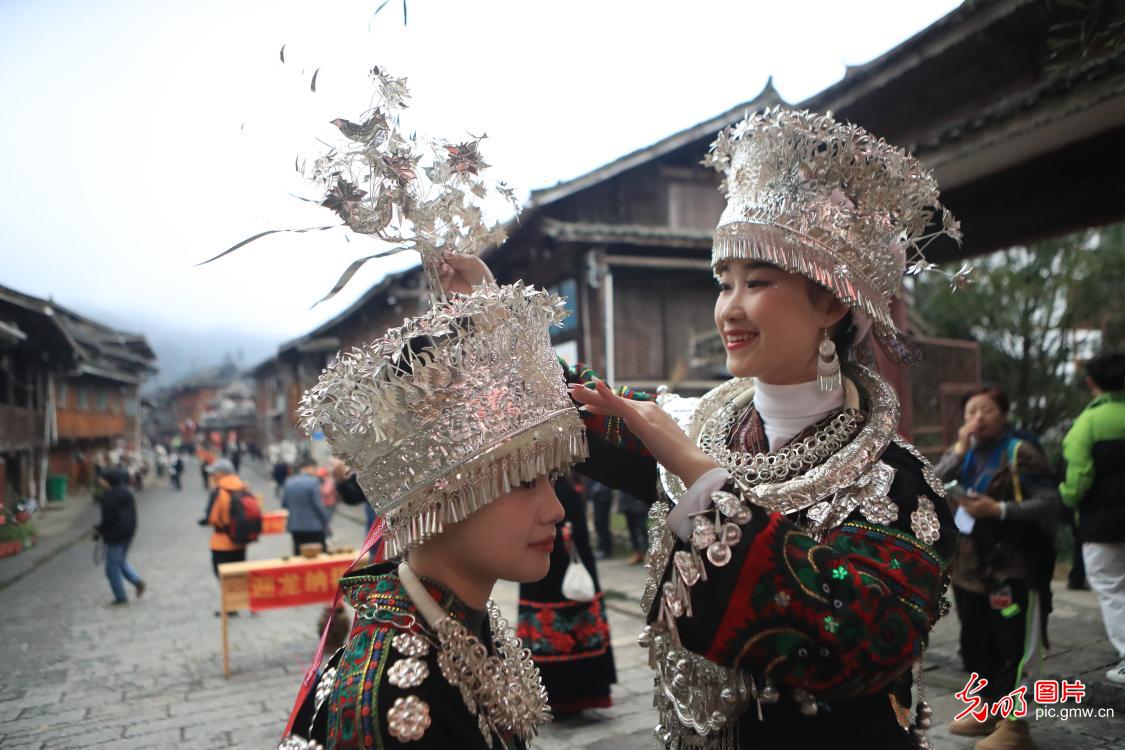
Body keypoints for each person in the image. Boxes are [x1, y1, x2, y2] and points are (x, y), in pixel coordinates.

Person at [446, 108, 959, 750]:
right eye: (724, 284)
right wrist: (486, 314)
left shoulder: (898, 484)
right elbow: (569, 405)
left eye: (758, 282)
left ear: (830, 301)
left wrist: (698, 477)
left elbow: (860, 644)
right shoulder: (700, 424)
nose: (729, 309)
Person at [280, 275, 588, 749]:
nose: (555, 509)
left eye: (552, 479)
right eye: (524, 481)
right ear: (439, 495)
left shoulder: (460, 624)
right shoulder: (390, 695)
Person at [933, 386, 1057, 748]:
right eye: (971, 412)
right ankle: (986, 709)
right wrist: (957, 450)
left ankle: (1016, 725)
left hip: (1012, 566)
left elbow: (1049, 502)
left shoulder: (1021, 452)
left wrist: (999, 510)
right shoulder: (965, 452)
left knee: (1012, 642)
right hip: (970, 568)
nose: (978, 419)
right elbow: (931, 484)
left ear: (1003, 414)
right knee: (976, 639)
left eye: (987, 410)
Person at [517, 474, 616, 716]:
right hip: (550, 572)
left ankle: (566, 693)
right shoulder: (561, 487)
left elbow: (576, 532)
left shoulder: (560, 490)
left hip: (560, 572)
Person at [1059, 351, 1125, 685]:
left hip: (1102, 524)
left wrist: (1067, 500)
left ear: (1090, 382)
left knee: (1113, 588)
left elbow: (1077, 479)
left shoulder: (1087, 424)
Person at [203, 458, 248, 614]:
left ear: (222, 473)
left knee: (222, 574)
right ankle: (239, 603)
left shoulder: (220, 490)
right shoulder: (242, 487)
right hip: (240, 539)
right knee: (238, 573)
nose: (212, 476)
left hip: (221, 541)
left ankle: (230, 606)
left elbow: (212, 517)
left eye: (214, 473)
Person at [95, 467, 146, 605]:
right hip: (128, 533)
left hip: (115, 535)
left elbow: (108, 519)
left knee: (111, 568)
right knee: (120, 561)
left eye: (102, 479)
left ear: (107, 481)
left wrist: (99, 530)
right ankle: (137, 582)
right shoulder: (126, 493)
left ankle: (120, 597)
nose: (100, 481)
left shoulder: (107, 497)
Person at [282, 457, 331, 554]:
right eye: (315, 469)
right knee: (318, 557)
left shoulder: (289, 482)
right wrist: (326, 520)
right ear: (309, 467)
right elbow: (318, 505)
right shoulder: (313, 482)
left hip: (296, 527)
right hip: (314, 528)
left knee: (300, 558)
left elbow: (284, 504)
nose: (316, 472)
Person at [618, 489, 649, 565]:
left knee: (642, 529)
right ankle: (637, 553)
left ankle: (647, 553)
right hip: (627, 499)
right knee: (631, 529)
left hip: (639, 499)